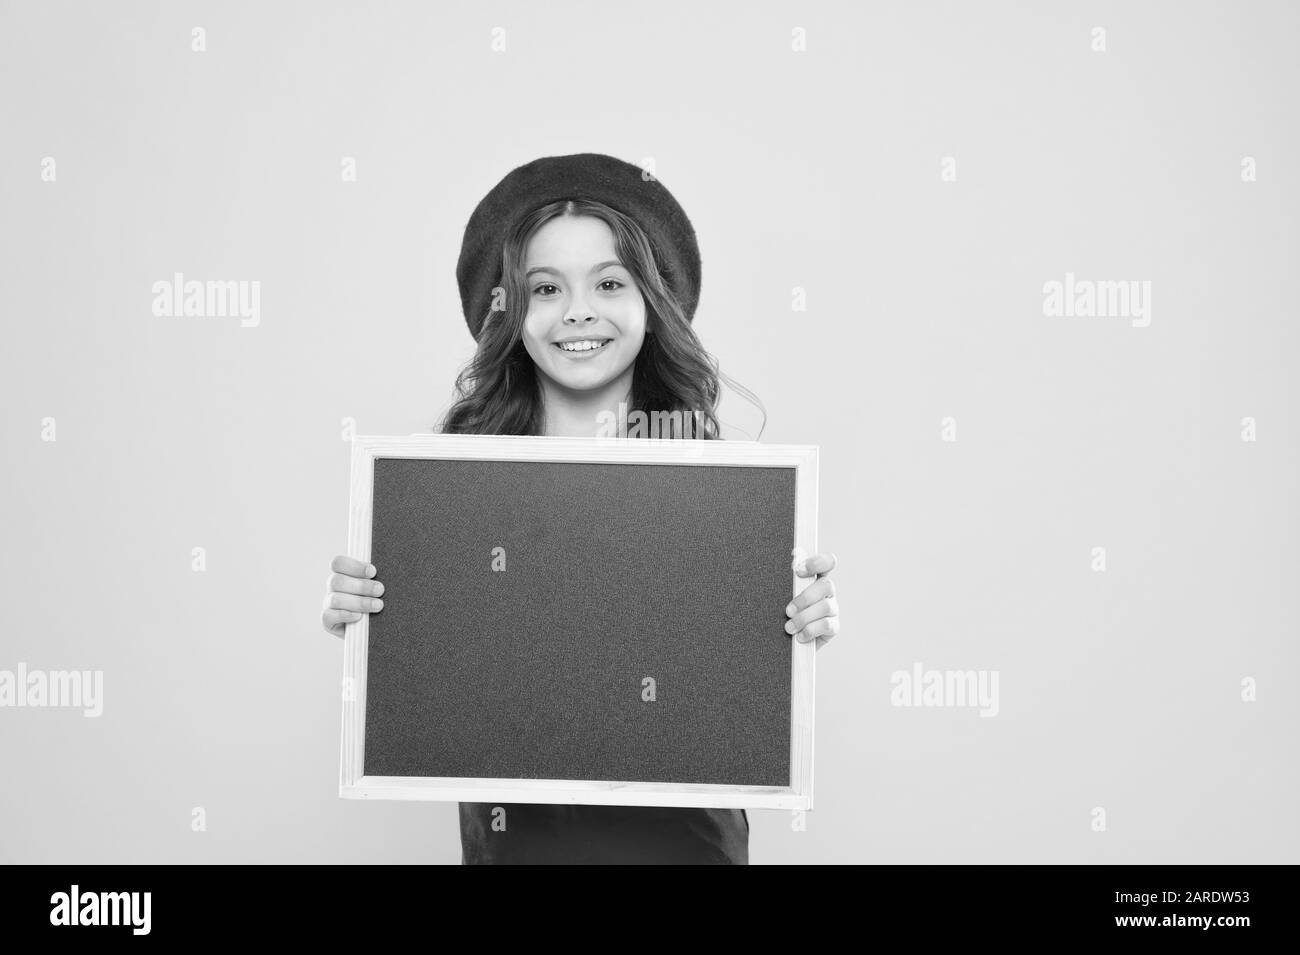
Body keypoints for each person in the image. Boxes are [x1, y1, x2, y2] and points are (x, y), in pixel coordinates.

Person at [322, 153, 840, 863]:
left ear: (650, 303)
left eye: (609, 281)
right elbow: (433, 670)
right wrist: (371, 617)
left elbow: (738, 684)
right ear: (511, 309)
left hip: (687, 848)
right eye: (544, 287)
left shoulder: (723, 490)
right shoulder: (449, 489)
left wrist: (797, 619)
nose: (578, 311)